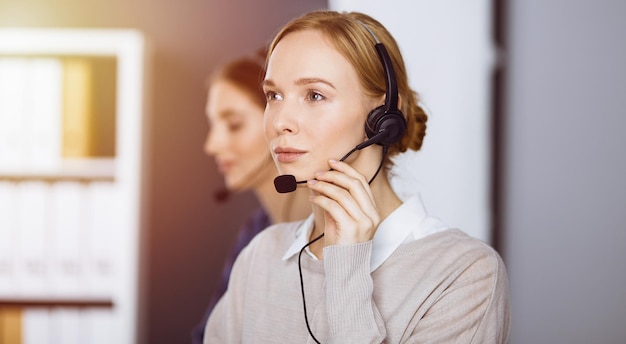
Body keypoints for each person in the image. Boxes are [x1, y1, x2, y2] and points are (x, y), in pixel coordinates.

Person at [204, 10, 510, 343]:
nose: (280, 122)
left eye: (315, 95)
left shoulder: (464, 273)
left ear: (383, 116)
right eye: (273, 96)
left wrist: (347, 265)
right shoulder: (261, 255)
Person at [191, 48, 312, 344]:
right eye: (213, 125)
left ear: (280, 123)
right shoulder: (255, 231)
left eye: (234, 125)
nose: (212, 144)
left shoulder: (332, 231)